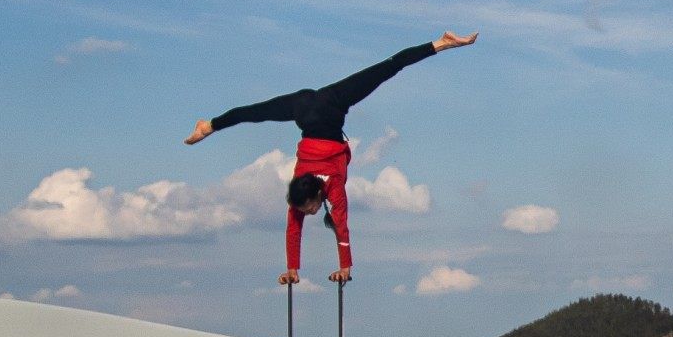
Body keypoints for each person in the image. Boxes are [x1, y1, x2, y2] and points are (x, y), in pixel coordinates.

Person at [187, 33, 476, 284]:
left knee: (385, 70)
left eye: (311, 208)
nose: (311, 213)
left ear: (315, 195)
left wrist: (344, 267)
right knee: (387, 67)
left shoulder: (332, 186)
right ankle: (441, 43)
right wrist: (293, 269)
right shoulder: (299, 193)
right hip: (305, 108)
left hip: (328, 107)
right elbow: (294, 229)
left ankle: (209, 126)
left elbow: (340, 227)